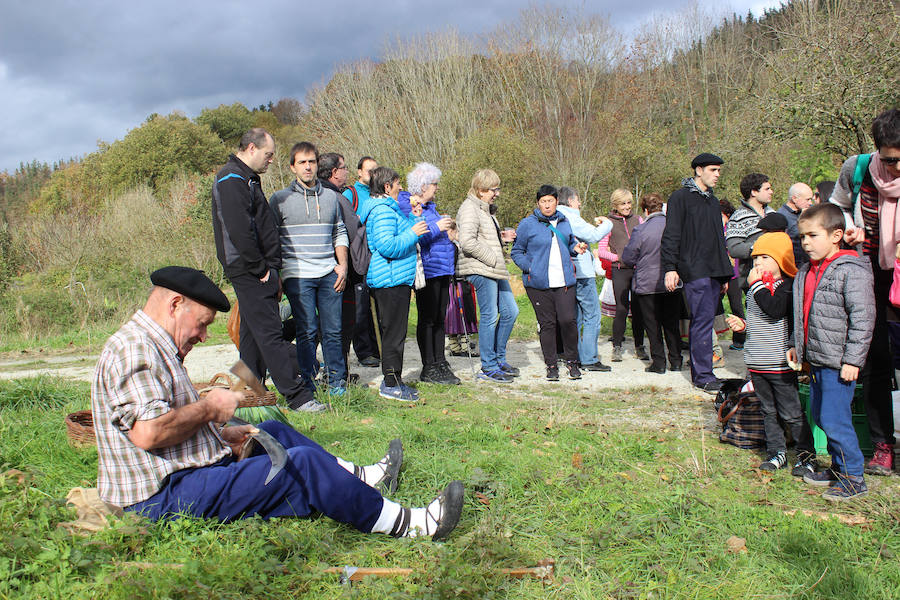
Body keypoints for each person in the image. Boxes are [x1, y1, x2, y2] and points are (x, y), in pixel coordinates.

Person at [91, 266, 463, 538]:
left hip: (178, 478)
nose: (203, 336)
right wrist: (209, 408)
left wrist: (217, 436)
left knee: (269, 430)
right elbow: (149, 432)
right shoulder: (135, 349)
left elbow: (161, 423)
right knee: (299, 466)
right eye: (202, 324)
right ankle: (412, 525)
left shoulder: (153, 344)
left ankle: (362, 478)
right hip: (159, 500)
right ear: (175, 305)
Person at [211, 128, 323, 412]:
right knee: (271, 333)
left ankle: (247, 391)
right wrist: (261, 268)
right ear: (251, 148)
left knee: (252, 333)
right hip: (250, 270)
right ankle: (297, 397)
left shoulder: (245, 178)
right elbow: (240, 230)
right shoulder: (232, 179)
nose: (271, 160)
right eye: (268, 155)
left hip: (255, 269)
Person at [828, 108, 900, 476]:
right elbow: (837, 210)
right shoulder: (856, 169)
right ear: (877, 151)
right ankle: (883, 444)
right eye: (890, 160)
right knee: (873, 359)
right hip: (867, 273)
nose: (897, 168)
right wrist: (849, 228)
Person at [788, 203, 875, 501]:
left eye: (813, 235)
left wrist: (853, 360)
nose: (806, 242)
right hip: (817, 360)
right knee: (821, 416)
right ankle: (839, 470)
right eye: (802, 237)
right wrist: (796, 347)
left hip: (839, 363)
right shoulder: (806, 271)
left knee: (835, 418)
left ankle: (854, 477)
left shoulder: (851, 270)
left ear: (836, 235)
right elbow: (802, 314)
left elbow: (863, 318)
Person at [725, 232, 816, 474]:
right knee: (768, 411)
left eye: (766, 257)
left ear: (782, 259)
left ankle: (806, 456)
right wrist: (744, 326)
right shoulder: (758, 288)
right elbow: (760, 318)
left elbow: (775, 310)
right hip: (756, 360)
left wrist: (755, 285)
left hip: (779, 362)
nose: (758, 263)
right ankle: (777, 453)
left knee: (792, 412)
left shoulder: (786, 286)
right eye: (756, 258)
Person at [269, 142, 349, 396]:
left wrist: (343, 266)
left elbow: (340, 231)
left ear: (317, 165)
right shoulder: (280, 200)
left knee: (334, 331)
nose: (307, 167)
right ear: (293, 166)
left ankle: (337, 384)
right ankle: (308, 383)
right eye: (302, 162)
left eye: (311, 161)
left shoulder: (331, 198)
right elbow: (272, 240)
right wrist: (278, 275)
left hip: (329, 272)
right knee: (306, 331)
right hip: (297, 274)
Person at [660, 153, 733, 394]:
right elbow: (671, 235)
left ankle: (706, 372)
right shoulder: (680, 198)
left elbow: (718, 239)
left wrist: (724, 275)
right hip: (694, 270)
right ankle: (702, 376)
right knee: (701, 322)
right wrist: (670, 268)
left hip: (714, 271)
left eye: (719, 170)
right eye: (713, 170)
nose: (717, 175)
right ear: (698, 170)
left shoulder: (713, 201)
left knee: (707, 322)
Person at [359, 167, 429, 401]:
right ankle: (391, 383)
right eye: (398, 184)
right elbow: (387, 245)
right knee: (393, 335)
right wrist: (413, 232)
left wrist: (415, 217)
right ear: (387, 186)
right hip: (389, 279)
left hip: (394, 278)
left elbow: (402, 233)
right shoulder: (383, 211)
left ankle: (394, 380)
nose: (401, 188)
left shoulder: (390, 209)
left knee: (394, 333)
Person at [511, 185, 588, 380]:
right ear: (538, 203)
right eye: (543, 201)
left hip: (564, 282)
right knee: (547, 324)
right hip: (538, 284)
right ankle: (551, 365)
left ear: (556, 202)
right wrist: (530, 267)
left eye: (550, 201)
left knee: (568, 321)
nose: (547, 205)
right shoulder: (528, 224)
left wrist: (576, 248)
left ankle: (572, 362)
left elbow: (569, 242)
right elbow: (517, 251)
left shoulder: (564, 221)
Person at [456, 169, 520, 383]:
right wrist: (492, 258)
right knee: (490, 316)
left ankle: (499, 359)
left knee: (511, 311)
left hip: (494, 269)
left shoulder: (485, 210)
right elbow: (467, 242)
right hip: (481, 269)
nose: (497, 193)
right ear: (481, 190)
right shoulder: (469, 209)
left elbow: (482, 237)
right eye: (494, 189)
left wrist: (500, 238)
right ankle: (489, 366)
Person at [397, 163, 458, 385]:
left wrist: (449, 232)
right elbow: (415, 236)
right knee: (428, 318)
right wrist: (438, 227)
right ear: (422, 186)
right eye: (434, 184)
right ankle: (428, 365)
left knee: (440, 318)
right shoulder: (408, 206)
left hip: (443, 268)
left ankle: (440, 361)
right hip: (428, 270)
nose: (437, 188)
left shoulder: (431, 207)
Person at [621, 193, 682, 374]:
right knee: (671, 323)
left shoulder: (641, 230)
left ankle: (659, 362)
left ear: (645, 210)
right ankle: (676, 360)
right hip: (673, 281)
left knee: (653, 324)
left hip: (647, 283)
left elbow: (628, 257)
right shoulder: (674, 226)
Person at [318, 152, 365, 384]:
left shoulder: (320, 194)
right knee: (340, 325)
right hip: (340, 270)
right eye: (344, 168)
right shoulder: (334, 197)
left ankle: (336, 371)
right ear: (334, 172)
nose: (347, 171)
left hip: (329, 269)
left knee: (330, 325)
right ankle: (337, 373)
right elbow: (352, 228)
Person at [556, 186, 613, 371]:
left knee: (576, 317)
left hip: (568, 273)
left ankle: (575, 355)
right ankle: (589, 358)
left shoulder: (556, 216)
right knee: (592, 316)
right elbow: (594, 235)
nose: (580, 203)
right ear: (571, 201)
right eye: (578, 200)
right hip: (582, 273)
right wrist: (607, 223)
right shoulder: (571, 216)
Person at [597, 189, 646, 363]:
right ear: (615, 205)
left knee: (639, 310)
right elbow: (602, 252)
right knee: (622, 309)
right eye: (623, 203)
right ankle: (617, 346)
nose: (627, 207)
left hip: (639, 270)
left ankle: (640, 346)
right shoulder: (608, 223)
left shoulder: (638, 220)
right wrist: (618, 257)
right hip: (619, 269)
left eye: (629, 203)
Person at [344, 156, 381, 369]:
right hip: (358, 259)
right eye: (369, 171)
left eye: (375, 171)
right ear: (359, 172)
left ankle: (377, 350)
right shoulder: (352, 193)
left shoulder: (378, 194)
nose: (372, 174)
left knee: (375, 306)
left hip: (376, 257)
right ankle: (364, 352)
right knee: (360, 308)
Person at [777, 183, 814, 268]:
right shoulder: (781, 216)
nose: (810, 203)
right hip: (792, 265)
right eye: (807, 200)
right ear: (794, 198)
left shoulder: (803, 212)